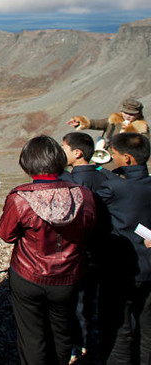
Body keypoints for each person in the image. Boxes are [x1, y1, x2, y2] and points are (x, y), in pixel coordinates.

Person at [0, 136, 96, 365]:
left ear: (27, 163)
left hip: (28, 274)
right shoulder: (83, 195)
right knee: (62, 333)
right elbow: (90, 229)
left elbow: (6, 234)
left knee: (32, 336)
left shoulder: (21, 197)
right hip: (69, 275)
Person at [96, 132, 151, 364]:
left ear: (127, 158)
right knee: (148, 331)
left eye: (115, 154)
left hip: (122, 269)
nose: (113, 158)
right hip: (149, 268)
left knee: (120, 331)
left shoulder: (113, 189)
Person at [59, 131, 114, 358]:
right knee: (99, 301)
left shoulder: (70, 182)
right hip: (105, 248)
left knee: (79, 303)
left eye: (64, 148)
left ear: (77, 152)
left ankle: (80, 348)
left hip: (79, 251)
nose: (62, 152)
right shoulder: (107, 177)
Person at [67, 98, 149, 146]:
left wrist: (128, 133)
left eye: (131, 114)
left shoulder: (141, 129)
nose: (127, 116)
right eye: (125, 113)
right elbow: (97, 123)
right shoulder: (114, 119)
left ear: (138, 115)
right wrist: (80, 122)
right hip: (106, 156)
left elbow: (145, 146)